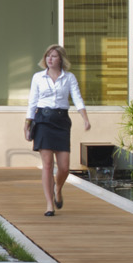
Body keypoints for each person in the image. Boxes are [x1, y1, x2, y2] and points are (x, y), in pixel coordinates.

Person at [23, 44, 89, 216]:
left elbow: (77, 98)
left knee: (64, 167)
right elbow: (32, 101)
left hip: (61, 121)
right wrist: (27, 123)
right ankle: (49, 204)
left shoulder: (69, 78)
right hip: (43, 121)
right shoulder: (38, 77)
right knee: (47, 165)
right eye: (47, 56)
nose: (49, 59)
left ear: (61, 59)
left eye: (53, 56)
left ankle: (58, 188)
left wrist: (85, 118)